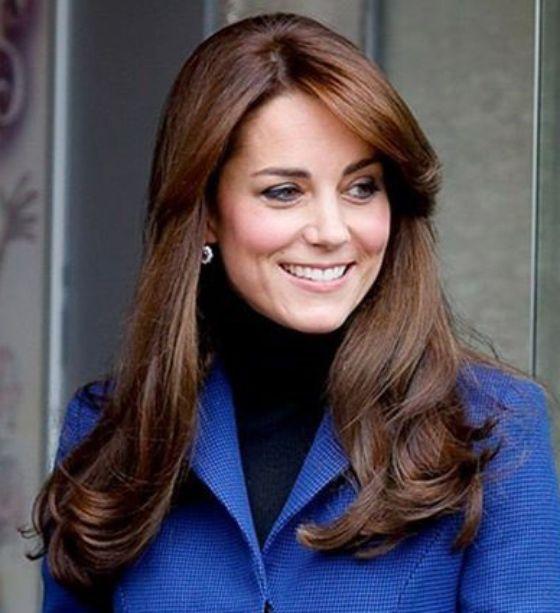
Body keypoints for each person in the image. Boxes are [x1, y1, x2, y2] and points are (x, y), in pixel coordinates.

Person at [28, 12, 560, 612]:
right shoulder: (110, 432)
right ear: (206, 211)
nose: (332, 231)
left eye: (362, 187)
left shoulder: (493, 428)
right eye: (284, 192)